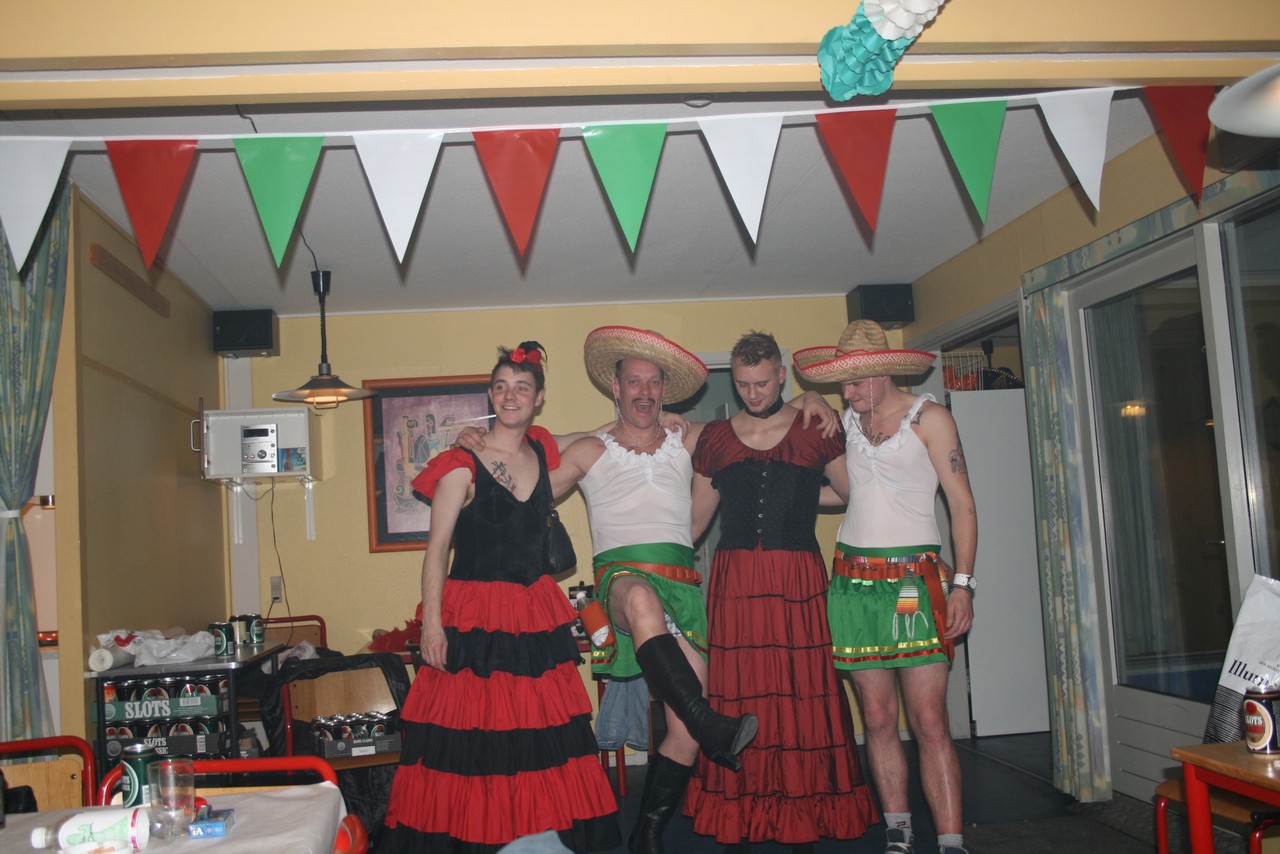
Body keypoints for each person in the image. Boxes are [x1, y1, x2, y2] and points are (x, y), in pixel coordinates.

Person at [381, 341, 621, 854]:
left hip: (532, 614)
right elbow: (436, 550)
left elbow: (602, 436)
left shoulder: (541, 452)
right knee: (471, 735)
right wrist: (431, 626)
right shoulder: (460, 463)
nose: (511, 396)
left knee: (535, 731)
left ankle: (533, 834)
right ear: (491, 396)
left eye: (522, 388)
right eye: (502, 387)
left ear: (538, 398)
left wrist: (655, 421)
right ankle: (477, 838)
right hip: (472, 616)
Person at [682, 331, 879, 852]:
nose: (753, 394)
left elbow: (852, 494)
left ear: (781, 375)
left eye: (763, 383)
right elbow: (695, 523)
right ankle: (744, 806)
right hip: (736, 582)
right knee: (741, 691)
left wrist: (804, 494)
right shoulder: (716, 438)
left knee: (803, 690)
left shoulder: (815, 429)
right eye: (743, 384)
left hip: (797, 579)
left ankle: (804, 808)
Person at [793, 320, 977, 854]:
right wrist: (808, 398)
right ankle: (898, 834)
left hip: (914, 582)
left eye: (854, 382)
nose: (846, 393)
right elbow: (850, 492)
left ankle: (951, 842)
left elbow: (962, 504)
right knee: (875, 719)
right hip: (853, 583)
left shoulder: (930, 417)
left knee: (929, 720)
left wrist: (963, 584)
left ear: (882, 373)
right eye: (840, 384)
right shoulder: (845, 423)